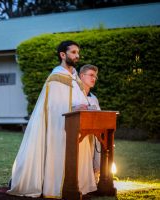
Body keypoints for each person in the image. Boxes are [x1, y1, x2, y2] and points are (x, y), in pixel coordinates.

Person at [7, 40, 97, 198]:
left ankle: (79, 186)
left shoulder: (76, 79)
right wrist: (72, 108)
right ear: (63, 55)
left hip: (77, 126)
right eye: (73, 52)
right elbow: (52, 107)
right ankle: (57, 187)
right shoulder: (55, 77)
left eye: (78, 52)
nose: (77, 55)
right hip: (59, 128)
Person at [79, 64, 101, 183]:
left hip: (94, 135)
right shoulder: (74, 94)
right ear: (82, 76)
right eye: (91, 75)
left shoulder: (94, 98)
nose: (94, 79)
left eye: (95, 76)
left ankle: (95, 178)